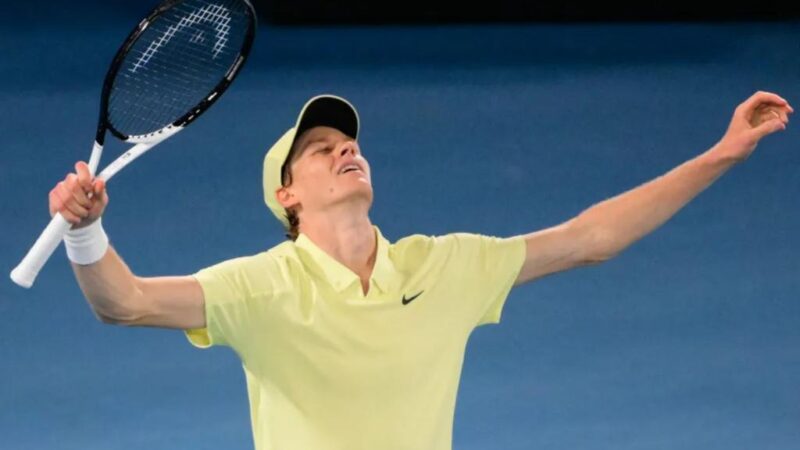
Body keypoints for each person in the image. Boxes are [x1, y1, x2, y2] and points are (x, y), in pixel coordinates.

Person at [50, 91, 792, 449]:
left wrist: (719, 155)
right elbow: (129, 302)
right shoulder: (261, 287)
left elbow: (588, 238)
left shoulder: (442, 266)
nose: (346, 150)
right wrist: (88, 233)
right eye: (321, 149)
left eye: (349, 142)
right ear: (288, 195)